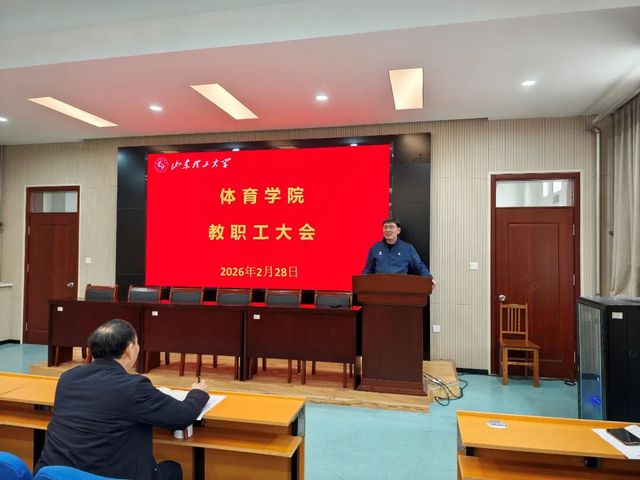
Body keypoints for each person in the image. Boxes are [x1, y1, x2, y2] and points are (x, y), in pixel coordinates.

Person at [35, 318, 210, 480]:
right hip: (107, 476)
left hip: (53, 475)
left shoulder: (68, 378)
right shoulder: (134, 387)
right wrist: (198, 392)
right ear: (129, 349)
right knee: (172, 469)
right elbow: (182, 416)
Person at [363, 217, 434, 280]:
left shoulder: (408, 248)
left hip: (400, 286)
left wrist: (428, 278)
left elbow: (419, 266)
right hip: (379, 287)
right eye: (385, 227)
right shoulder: (375, 248)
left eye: (391, 227)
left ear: (398, 230)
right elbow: (368, 269)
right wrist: (360, 283)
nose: (388, 230)